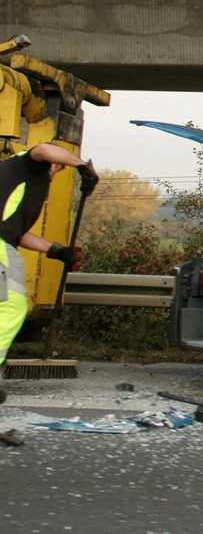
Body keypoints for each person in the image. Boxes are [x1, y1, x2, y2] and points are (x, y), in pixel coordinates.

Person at [0, 143, 96, 403]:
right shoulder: (27, 165)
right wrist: (82, 167)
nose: (56, 171)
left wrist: (56, 251)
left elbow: (16, 233)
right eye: (58, 165)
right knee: (11, 306)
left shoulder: (21, 184)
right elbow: (43, 148)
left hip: (4, 242)